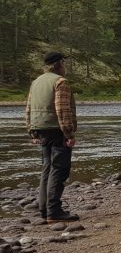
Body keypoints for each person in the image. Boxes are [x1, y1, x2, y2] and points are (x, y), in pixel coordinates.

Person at [25, 52, 79, 223]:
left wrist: (31, 131)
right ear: (57, 65)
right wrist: (69, 133)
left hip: (40, 129)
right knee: (59, 168)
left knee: (47, 168)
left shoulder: (36, 82)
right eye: (64, 63)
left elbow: (28, 108)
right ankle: (54, 211)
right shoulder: (60, 82)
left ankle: (44, 209)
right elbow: (62, 110)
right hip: (56, 130)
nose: (65, 67)